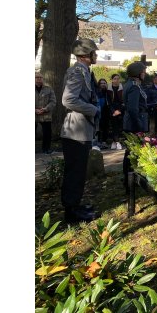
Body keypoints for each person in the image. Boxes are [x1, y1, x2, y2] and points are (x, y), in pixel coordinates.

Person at [59, 39, 101, 223]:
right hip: (75, 131)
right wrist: (93, 110)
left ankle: (74, 206)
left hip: (80, 129)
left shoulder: (83, 71)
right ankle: (71, 212)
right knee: (75, 173)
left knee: (78, 171)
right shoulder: (77, 71)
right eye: (94, 52)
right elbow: (68, 99)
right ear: (86, 55)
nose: (96, 55)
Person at [121, 62, 149, 192]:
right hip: (134, 124)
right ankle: (129, 183)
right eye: (143, 71)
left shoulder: (132, 84)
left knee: (131, 153)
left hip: (133, 122)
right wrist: (139, 127)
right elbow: (133, 109)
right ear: (137, 73)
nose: (145, 73)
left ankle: (129, 181)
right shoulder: (134, 87)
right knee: (132, 154)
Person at [35, 72, 57, 154]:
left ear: (43, 79)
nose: (39, 79)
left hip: (45, 114)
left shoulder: (49, 89)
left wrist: (45, 109)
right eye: (37, 77)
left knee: (47, 133)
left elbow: (53, 101)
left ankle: (46, 149)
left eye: (40, 77)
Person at [107, 74, 125, 150]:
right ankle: (116, 142)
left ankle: (116, 142)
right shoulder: (108, 89)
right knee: (114, 126)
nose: (116, 80)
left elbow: (124, 101)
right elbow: (108, 102)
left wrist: (119, 110)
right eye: (115, 78)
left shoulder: (122, 88)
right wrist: (113, 111)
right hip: (112, 109)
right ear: (112, 80)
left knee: (120, 126)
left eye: (118, 78)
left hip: (121, 109)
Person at [96, 78, 110, 148]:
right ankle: (98, 142)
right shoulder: (97, 92)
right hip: (99, 111)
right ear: (99, 84)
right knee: (98, 127)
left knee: (105, 127)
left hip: (106, 112)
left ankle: (104, 142)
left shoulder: (108, 92)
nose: (103, 84)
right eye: (101, 83)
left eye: (104, 83)